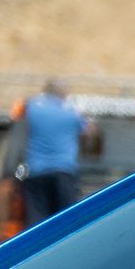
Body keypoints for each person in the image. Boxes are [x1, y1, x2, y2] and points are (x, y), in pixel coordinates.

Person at [18, 77, 98, 224]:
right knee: (65, 222)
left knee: (37, 221)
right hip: (63, 171)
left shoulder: (33, 107)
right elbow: (90, 132)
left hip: (36, 171)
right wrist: (84, 115)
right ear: (64, 93)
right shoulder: (72, 113)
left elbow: (21, 121)